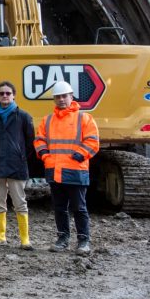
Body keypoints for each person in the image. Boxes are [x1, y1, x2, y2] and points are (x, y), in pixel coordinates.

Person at [35, 81, 99, 256]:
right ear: (54, 99)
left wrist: (80, 154)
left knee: (79, 207)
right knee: (59, 208)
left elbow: (93, 141)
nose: (61, 99)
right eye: (58, 97)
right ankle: (62, 238)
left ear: (71, 96)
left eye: (64, 96)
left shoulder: (84, 118)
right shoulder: (48, 120)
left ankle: (83, 241)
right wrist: (45, 155)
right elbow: (39, 140)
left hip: (75, 170)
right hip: (54, 170)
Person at [0, 81, 35, 250]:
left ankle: (25, 239)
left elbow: (30, 142)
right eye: (1, 93)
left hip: (16, 166)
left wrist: (20, 157)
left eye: (8, 93)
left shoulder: (24, 117)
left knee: (20, 202)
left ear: (14, 95)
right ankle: (0, 236)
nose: (5, 96)